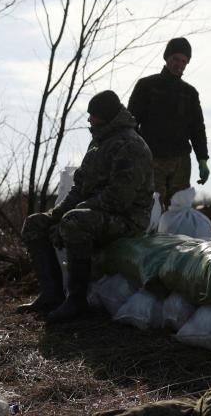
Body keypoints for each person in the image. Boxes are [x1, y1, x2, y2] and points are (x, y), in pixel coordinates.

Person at [18, 90, 154, 322]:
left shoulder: (131, 145)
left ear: (105, 116)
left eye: (93, 115)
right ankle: (51, 295)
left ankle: (77, 300)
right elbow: (79, 186)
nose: (89, 120)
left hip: (129, 219)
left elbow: (118, 198)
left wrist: (72, 214)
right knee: (36, 223)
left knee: (75, 221)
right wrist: (56, 214)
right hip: (95, 212)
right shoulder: (98, 143)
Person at [128, 37, 209, 207]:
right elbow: (131, 123)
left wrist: (202, 158)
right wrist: (135, 155)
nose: (179, 64)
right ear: (167, 58)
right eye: (175, 59)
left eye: (183, 61)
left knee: (179, 209)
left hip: (181, 161)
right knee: (152, 207)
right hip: (152, 158)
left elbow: (197, 128)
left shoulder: (190, 93)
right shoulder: (147, 86)